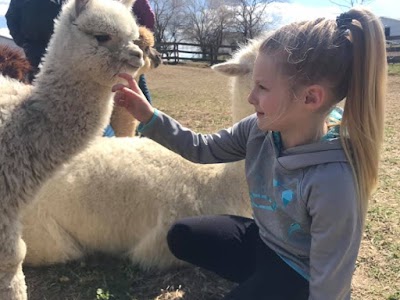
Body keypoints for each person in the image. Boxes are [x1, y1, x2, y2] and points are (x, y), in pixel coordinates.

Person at [111, 7, 386, 299]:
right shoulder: (258, 130)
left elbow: (332, 279)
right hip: (264, 241)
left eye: (262, 87)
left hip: (300, 274)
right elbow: (202, 148)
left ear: (310, 97)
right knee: (182, 236)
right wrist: (150, 116)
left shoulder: (334, 180)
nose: (250, 97)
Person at [5, 0, 64, 83]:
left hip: (57, 47)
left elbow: (69, 16)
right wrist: (21, 41)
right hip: (33, 46)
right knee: (33, 79)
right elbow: (11, 17)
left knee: (57, 80)